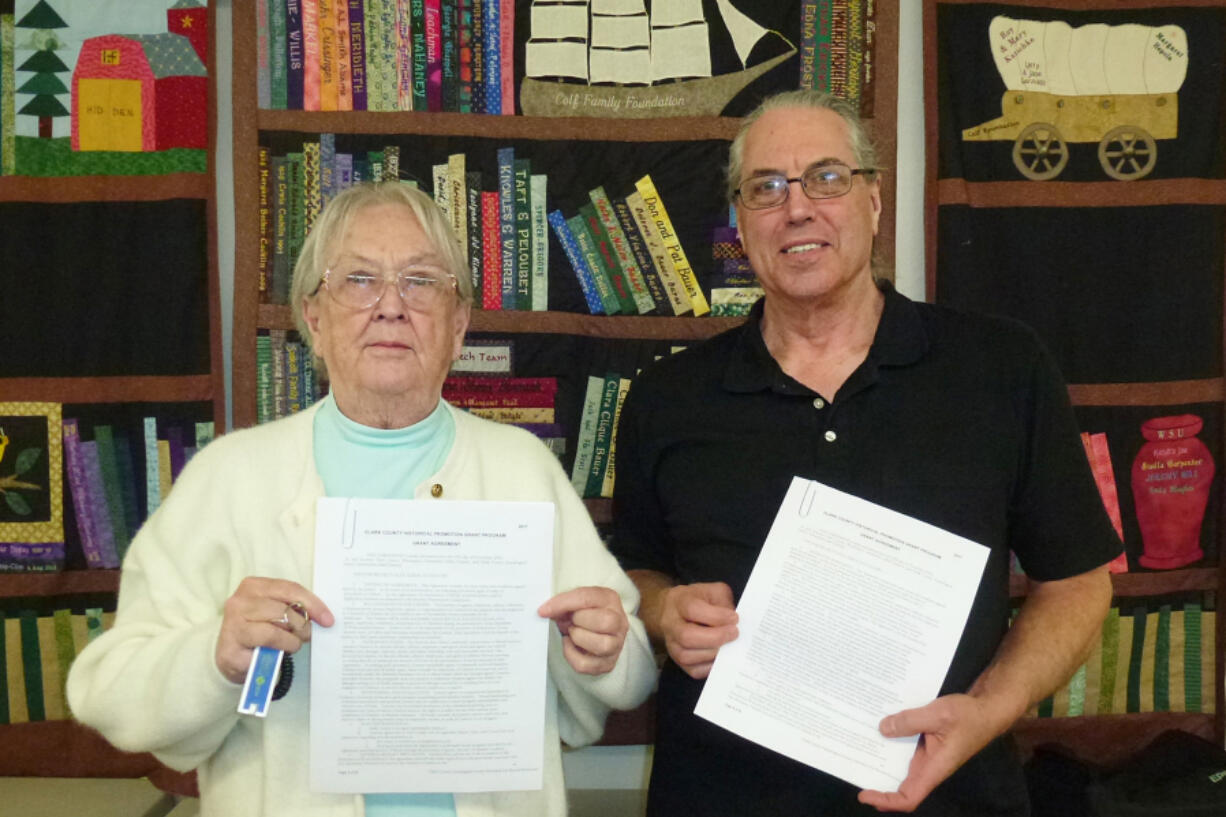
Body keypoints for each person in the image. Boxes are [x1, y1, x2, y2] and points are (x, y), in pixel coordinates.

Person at [67, 181, 657, 817]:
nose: (391, 306)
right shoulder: (231, 476)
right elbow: (107, 690)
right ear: (314, 319)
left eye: (422, 281)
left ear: (459, 325)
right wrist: (217, 656)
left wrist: (603, 650)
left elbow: (632, 671)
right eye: (358, 279)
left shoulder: (522, 470)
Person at [610, 89, 1121, 816]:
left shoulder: (1001, 366)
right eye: (766, 188)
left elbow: (1077, 581)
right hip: (723, 794)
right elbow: (640, 569)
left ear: (874, 201)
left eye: (826, 177)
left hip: (948, 794)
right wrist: (665, 611)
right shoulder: (667, 397)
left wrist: (987, 708)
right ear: (739, 221)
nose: (797, 208)